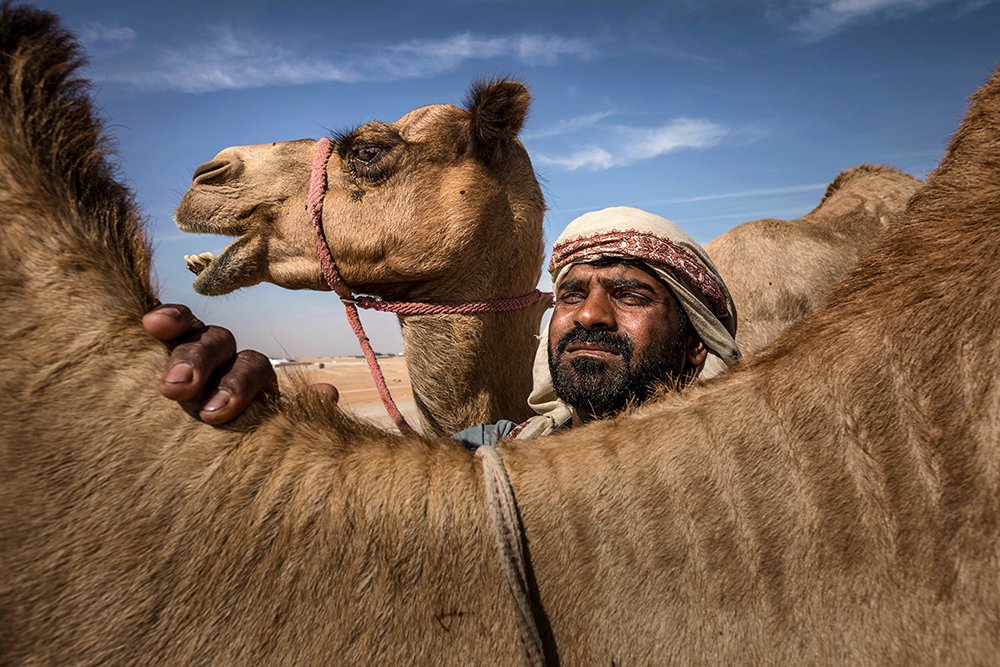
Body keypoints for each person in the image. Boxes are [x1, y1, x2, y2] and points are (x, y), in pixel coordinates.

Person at [143, 207, 740, 437]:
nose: (589, 314)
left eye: (631, 294)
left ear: (695, 342)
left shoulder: (747, 475)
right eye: (571, 293)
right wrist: (264, 432)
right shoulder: (493, 453)